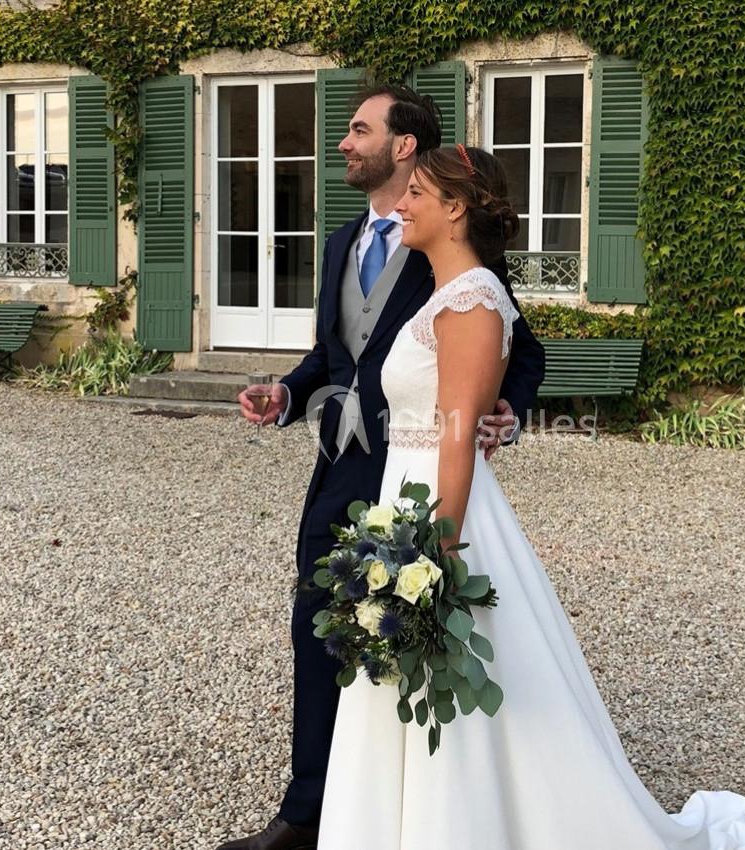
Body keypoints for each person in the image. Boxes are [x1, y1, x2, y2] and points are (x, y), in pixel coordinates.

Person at [314, 145, 745, 850]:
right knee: (405, 678)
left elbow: (457, 437)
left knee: (456, 675)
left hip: (441, 511)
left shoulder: (475, 299)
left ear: (455, 209)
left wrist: (436, 553)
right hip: (403, 498)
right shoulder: (442, 295)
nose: (401, 204)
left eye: (416, 192)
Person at [220, 88, 546, 850]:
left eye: (359, 129)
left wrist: (506, 408)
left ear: (404, 147)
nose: (343, 142)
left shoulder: (455, 257)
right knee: (320, 625)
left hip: (418, 471)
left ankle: (420, 807)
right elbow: (333, 353)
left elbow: (516, 348)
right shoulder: (341, 243)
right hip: (342, 465)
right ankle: (307, 813)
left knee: (410, 638)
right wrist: (288, 392)